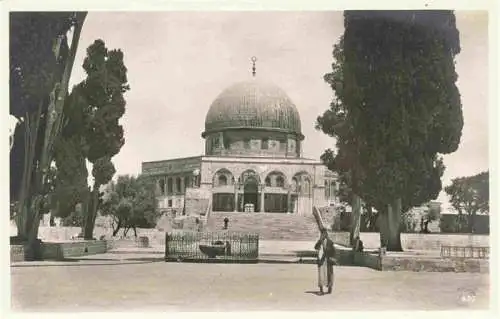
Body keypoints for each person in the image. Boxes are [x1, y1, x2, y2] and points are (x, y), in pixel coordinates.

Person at [314, 228, 336, 295]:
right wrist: (320, 241)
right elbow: (316, 247)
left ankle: (330, 288)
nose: (323, 235)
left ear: (326, 234)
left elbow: (333, 251)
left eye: (325, 233)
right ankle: (321, 290)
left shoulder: (330, 242)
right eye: (322, 234)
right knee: (321, 275)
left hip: (328, 261)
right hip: (321, 261)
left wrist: (332, 258)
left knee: (329, 275)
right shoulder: (320, 241)